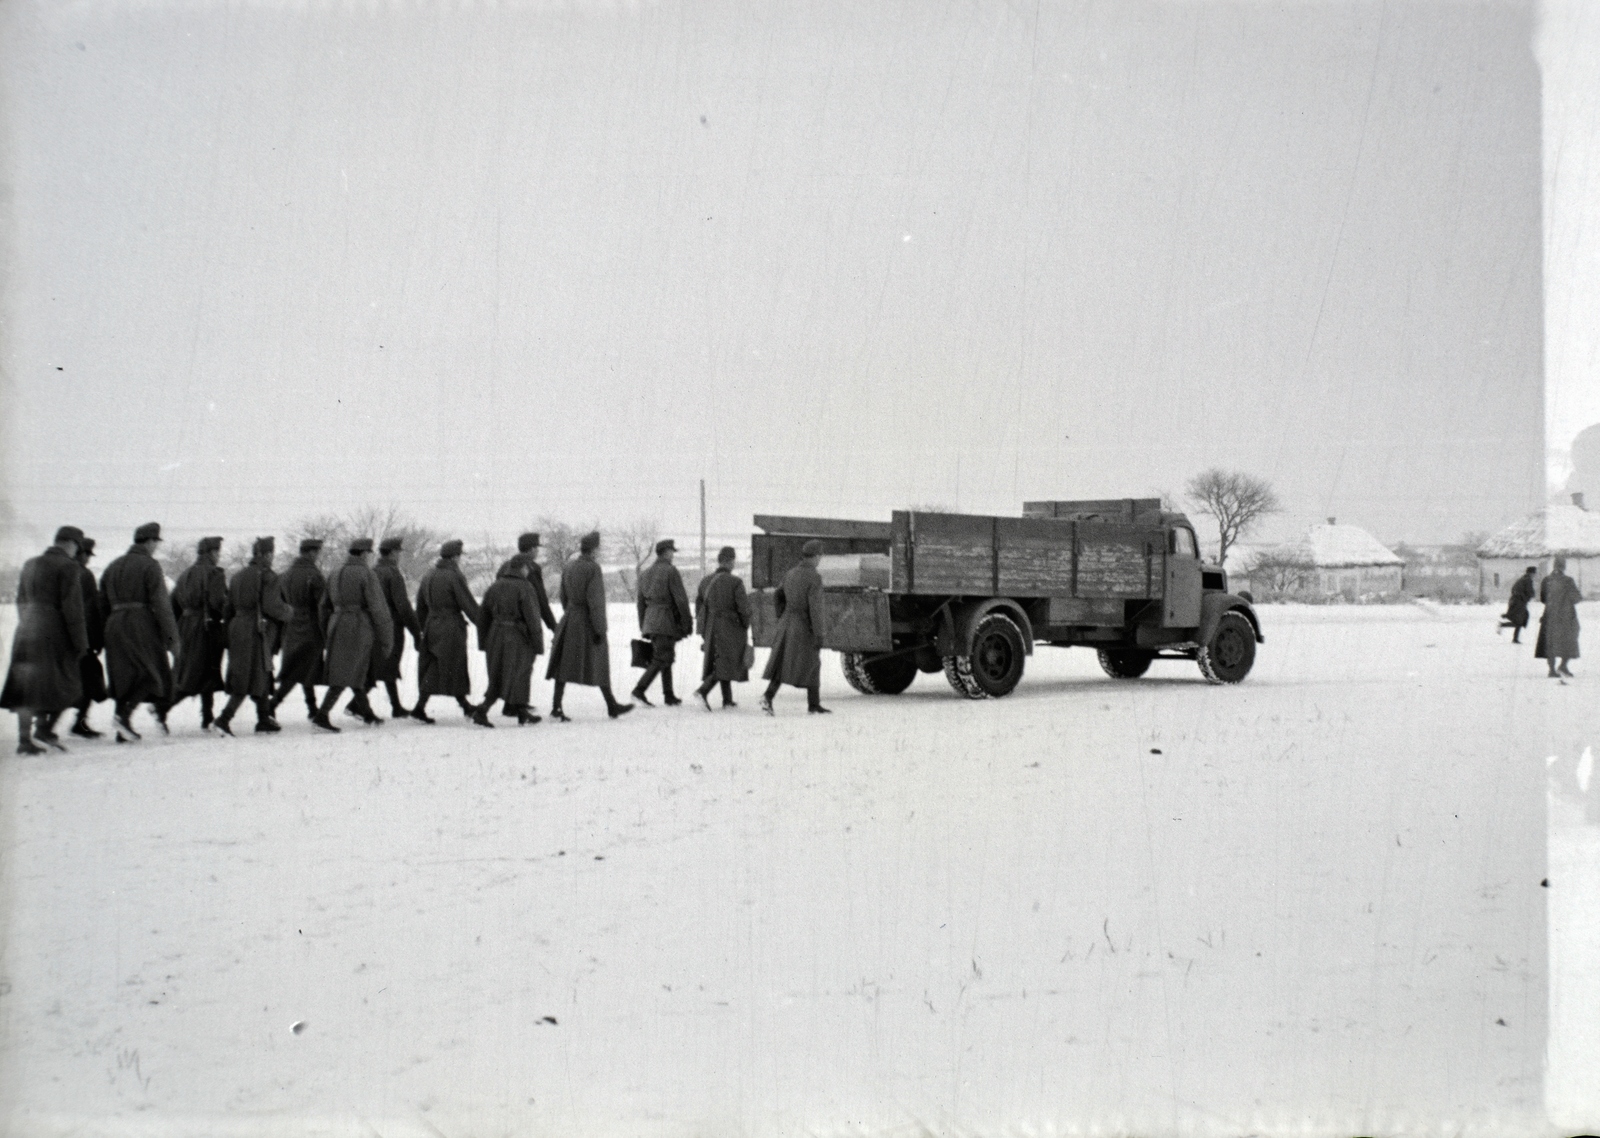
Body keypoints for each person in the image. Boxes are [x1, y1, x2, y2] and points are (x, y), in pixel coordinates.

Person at [1, 526, 89, 754]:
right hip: (53, 631)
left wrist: (28, 622)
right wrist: (80, 643)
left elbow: (21, 599)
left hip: (27, 628)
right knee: (63, 681)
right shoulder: (69, 566)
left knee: (26, 685)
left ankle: (24, 740)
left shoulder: (30, 563)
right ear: (71, 543)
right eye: (77, 547)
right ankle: (43, 729)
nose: (77, 552)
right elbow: (73, 608)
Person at [99, 522, 180, 741]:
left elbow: (101, 603)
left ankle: (121, 728)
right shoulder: (149, 565)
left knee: (123, 675)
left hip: (113, 624)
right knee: (151, 673)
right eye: (156, 542)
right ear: (150, 541)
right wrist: (172, 640)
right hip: (139, 623)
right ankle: (123, 717)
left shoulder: (113, 566)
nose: (156, 547)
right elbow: (162, 605)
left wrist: (102, 633)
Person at [545, 530, 632, 720]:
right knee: (600, 662)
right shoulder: (593, 568)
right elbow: (596, 602)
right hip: (586, 620)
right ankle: (612, 705)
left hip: (569, 619)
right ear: (594, 550)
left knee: (564, 665)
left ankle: (556, 707)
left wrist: (570, 612)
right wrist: (599, 628)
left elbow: (562, 596)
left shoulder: (569, 567)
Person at [313, 537, 394, 732]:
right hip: (357, 626)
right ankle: (322, 714)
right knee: (350, 670)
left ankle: (367, 713)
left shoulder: (334, 572)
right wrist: (386, 636)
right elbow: (378, 608)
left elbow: (323, 607)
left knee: (353, 669)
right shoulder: (366, 573)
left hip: (336, 623)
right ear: (365, 553)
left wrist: (327, 630)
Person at [215, 536, 292, 736]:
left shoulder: (238, 576)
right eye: (271, 554)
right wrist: (289, 612)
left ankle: (264, 719)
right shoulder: (268, 576)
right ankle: (224, 719)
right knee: (249, 675)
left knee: (260, 673)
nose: (272, 558)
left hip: (237, 627)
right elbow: (272, 606)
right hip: (255, 630)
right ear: (266, 555)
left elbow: (228, 608)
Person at [412, 539, 480, 723]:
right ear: (455, 556)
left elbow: (420, 606)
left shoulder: (428, 575)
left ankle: (425, 706)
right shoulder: (454, 576)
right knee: (454, 665)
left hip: (432, 625)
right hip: (450, 626)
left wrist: (422, 628)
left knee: (435, 665)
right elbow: (467, 603)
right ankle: (462, 705)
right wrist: (484, 622)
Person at [760, 539, 829, 715]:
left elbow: (777, 594)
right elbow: (816, 608)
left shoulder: (791, 573)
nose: (820, 559)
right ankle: (813, 704)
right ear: (814, 557)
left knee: (783, 662)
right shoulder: (814, 577)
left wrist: (782, 613)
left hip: (787, 622)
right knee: (813, 661)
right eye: (820, 555)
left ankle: (769, 696)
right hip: (803, 626)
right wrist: (819, 633)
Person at [473, 558, 545, 726]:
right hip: (517, 636)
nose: (528, 571)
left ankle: (521, 712)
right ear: (522, 568)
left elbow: (483, 615)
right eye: (527, 568)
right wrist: (538, 644)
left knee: (498, 673)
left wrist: (484, 641)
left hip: (496, 634)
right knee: (520, 671)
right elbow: (533, 618)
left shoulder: (495, 586)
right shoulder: (525, 587)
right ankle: (482, 710)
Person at [170, 536, 228, 729]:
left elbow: (173, 604)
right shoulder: (214, 573)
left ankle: (207, 716)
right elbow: (218, 602)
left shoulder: (185, 574)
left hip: (185, 627)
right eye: (217, 552)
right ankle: (162, 708)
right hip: (206, 628)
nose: (219, 556)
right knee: (199, 673)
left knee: (203, 672)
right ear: (211, 553)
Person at [270, 538, 328, 721]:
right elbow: (323, 604)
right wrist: (326, 629)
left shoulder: (285, 575)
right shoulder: (314, 575)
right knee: (299, 670)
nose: (318, 556)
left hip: (291, 627)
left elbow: (278, 603)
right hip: (310, 627)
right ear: (311, 552)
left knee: (303, 667)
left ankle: (312, 708)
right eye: (317, 552)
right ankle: (272, 706)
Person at [632, 538, 693, 707]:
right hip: (666, 620)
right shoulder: (670, 571)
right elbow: (681, 600)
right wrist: (687, 622)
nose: (673, 554)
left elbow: (640, 603)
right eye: (672, 551)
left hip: (651, 621)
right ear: (666, 552)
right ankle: (639, 690)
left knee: (666, 655)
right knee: (661, 657)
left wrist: (643, 624)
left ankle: (669, 695)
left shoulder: (645, 573)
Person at [368, 536, 422, 720]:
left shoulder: (373, 571)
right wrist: (416, 632)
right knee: (386, 665)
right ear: (391, 553)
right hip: (392, 626)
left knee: (386, 665)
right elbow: (403, 606)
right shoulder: (392, 573)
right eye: (398, 552)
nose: (399, 555)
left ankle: (396, 706)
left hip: (375, 626)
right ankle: (356, 705)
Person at [694, 545, 752, 710]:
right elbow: (744, 609)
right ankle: (702, 691)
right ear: (729, 561)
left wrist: (705, 627)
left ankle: (727, 700)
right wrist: (745, 624)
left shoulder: (705, 581)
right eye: (733, 561)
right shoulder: (735, 582)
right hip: (730, 626)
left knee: (720, 659)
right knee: (726, 661)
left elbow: (698, 606)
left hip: (711, 626)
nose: (734, 564)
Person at [510, 532, 559, 717]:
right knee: (525, 662)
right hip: (527, 623)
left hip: (508, 623)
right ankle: (519, 703)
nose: (538, 551)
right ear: (531, 549)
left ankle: (514, 701)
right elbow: (541, 599)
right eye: (537, 548)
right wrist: (553, 626)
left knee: (513, 664)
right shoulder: (531, 568)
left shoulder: (507, 566)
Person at [69, 536, 109, 739]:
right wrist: (96, 640)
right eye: (87, 556)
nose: (88, 560)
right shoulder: (84, 575)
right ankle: (78, 722)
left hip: (61, 638)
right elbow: (92, 611)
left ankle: (49, 724)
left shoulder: (62, 571)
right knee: (90, 678)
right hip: (82, 638)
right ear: (82, 554)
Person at [1536, 556, 1583, 679]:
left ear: (1554, 566)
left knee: (1550, 642)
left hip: (1550, 616)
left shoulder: (1546, 580)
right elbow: (1576, 598)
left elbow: (1543, 599)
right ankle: (1563, 666)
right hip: (1566, 617)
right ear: (1564, 566)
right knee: (1570, 640)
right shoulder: (1568, 581)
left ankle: (1551, 669)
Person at [1499, 566, 1537, 644]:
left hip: (1516, 601)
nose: (1535, 575)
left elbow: (1514, 589)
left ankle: (1506, 626)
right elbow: (1529, 591)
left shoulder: (1522, 579)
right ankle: (1513, 636)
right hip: (1519, 602)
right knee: (1520, 620)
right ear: (1531, 573)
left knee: (1519, 620)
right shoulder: (1528, 580)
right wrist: (1531, 595)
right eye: (1534, 573)